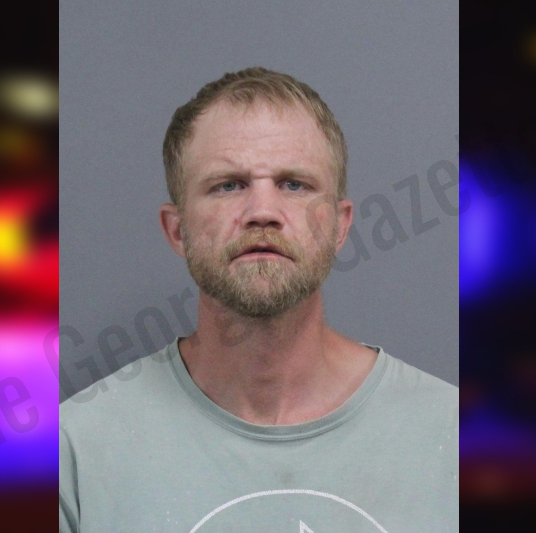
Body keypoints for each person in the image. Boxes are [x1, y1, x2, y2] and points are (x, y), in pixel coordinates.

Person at [60, 67, 457, 532]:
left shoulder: (454, 440)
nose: (263, 212)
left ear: (340, 226)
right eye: (228, 185)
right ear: (177, 230)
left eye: (294, 184)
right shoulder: (76, 452)